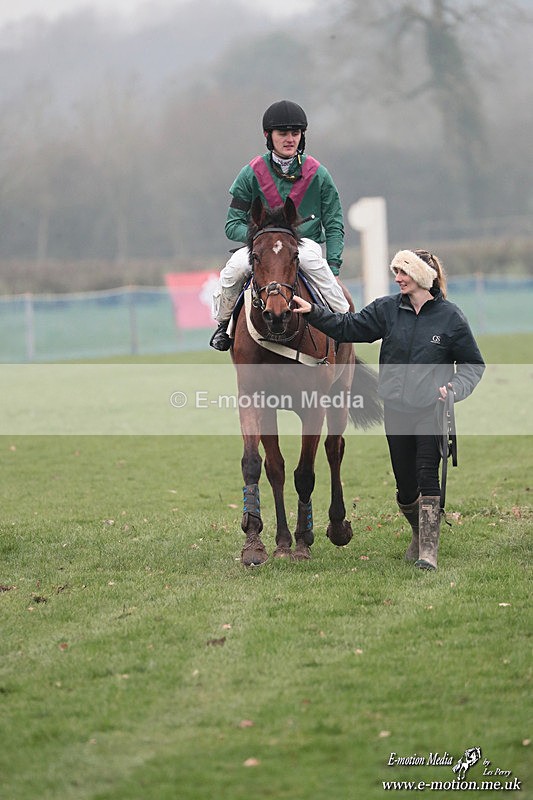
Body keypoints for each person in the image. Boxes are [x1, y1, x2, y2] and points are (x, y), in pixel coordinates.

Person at [292, 249, 485, 570]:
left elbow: (473, 364)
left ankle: (428, 551)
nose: (397, 279)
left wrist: (455, 388)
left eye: (403, 272)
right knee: (406, 487)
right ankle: (418, 531)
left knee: (427, 474)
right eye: (396, 272)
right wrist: (313, 312)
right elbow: (347, 327)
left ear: (422, 276)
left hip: (432, 409)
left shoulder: (451, 317)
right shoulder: (387, 310)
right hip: (396, 409)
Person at [210, 99, 350, 351]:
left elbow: (334, 223)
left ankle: (344, 323)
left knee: (319, 269)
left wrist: (334, 264)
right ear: (269, 135)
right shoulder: (251, 173)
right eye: (283, 133)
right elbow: (232, 225)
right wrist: (262, 238)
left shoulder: (319, 174)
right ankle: (223, 326)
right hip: (261, 247)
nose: (290, 139)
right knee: (234, 269)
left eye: (295, 133)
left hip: (303, 245)